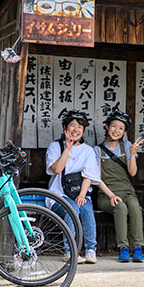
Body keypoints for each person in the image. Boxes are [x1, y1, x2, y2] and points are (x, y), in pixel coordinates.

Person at [46, 109, 100, 264]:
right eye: (72, 125)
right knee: (72, 208)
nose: (76, 130)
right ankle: (70, 251)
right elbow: (56, 170)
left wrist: (82, 195)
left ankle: (91, 250)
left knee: (86, 208)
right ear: (65, 128)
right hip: (57, 196)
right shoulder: (55, 147)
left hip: (79, 193)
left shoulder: (88, 151)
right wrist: (67, 148)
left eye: (80, 127)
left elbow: (88, 176)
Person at [94, 110, 144, 263]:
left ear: (124, 132)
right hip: (106, 194)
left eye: (121, 128)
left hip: (127, 191)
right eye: (114, 126)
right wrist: (110, 195)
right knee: (121, 207)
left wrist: (132, 154)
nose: (116, 130)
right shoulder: (97, 150)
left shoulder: (127, 146)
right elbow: (96, 179)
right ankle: (123, 248)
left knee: (136, 207)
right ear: (106, 126)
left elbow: (133, 172)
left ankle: (137, 248)